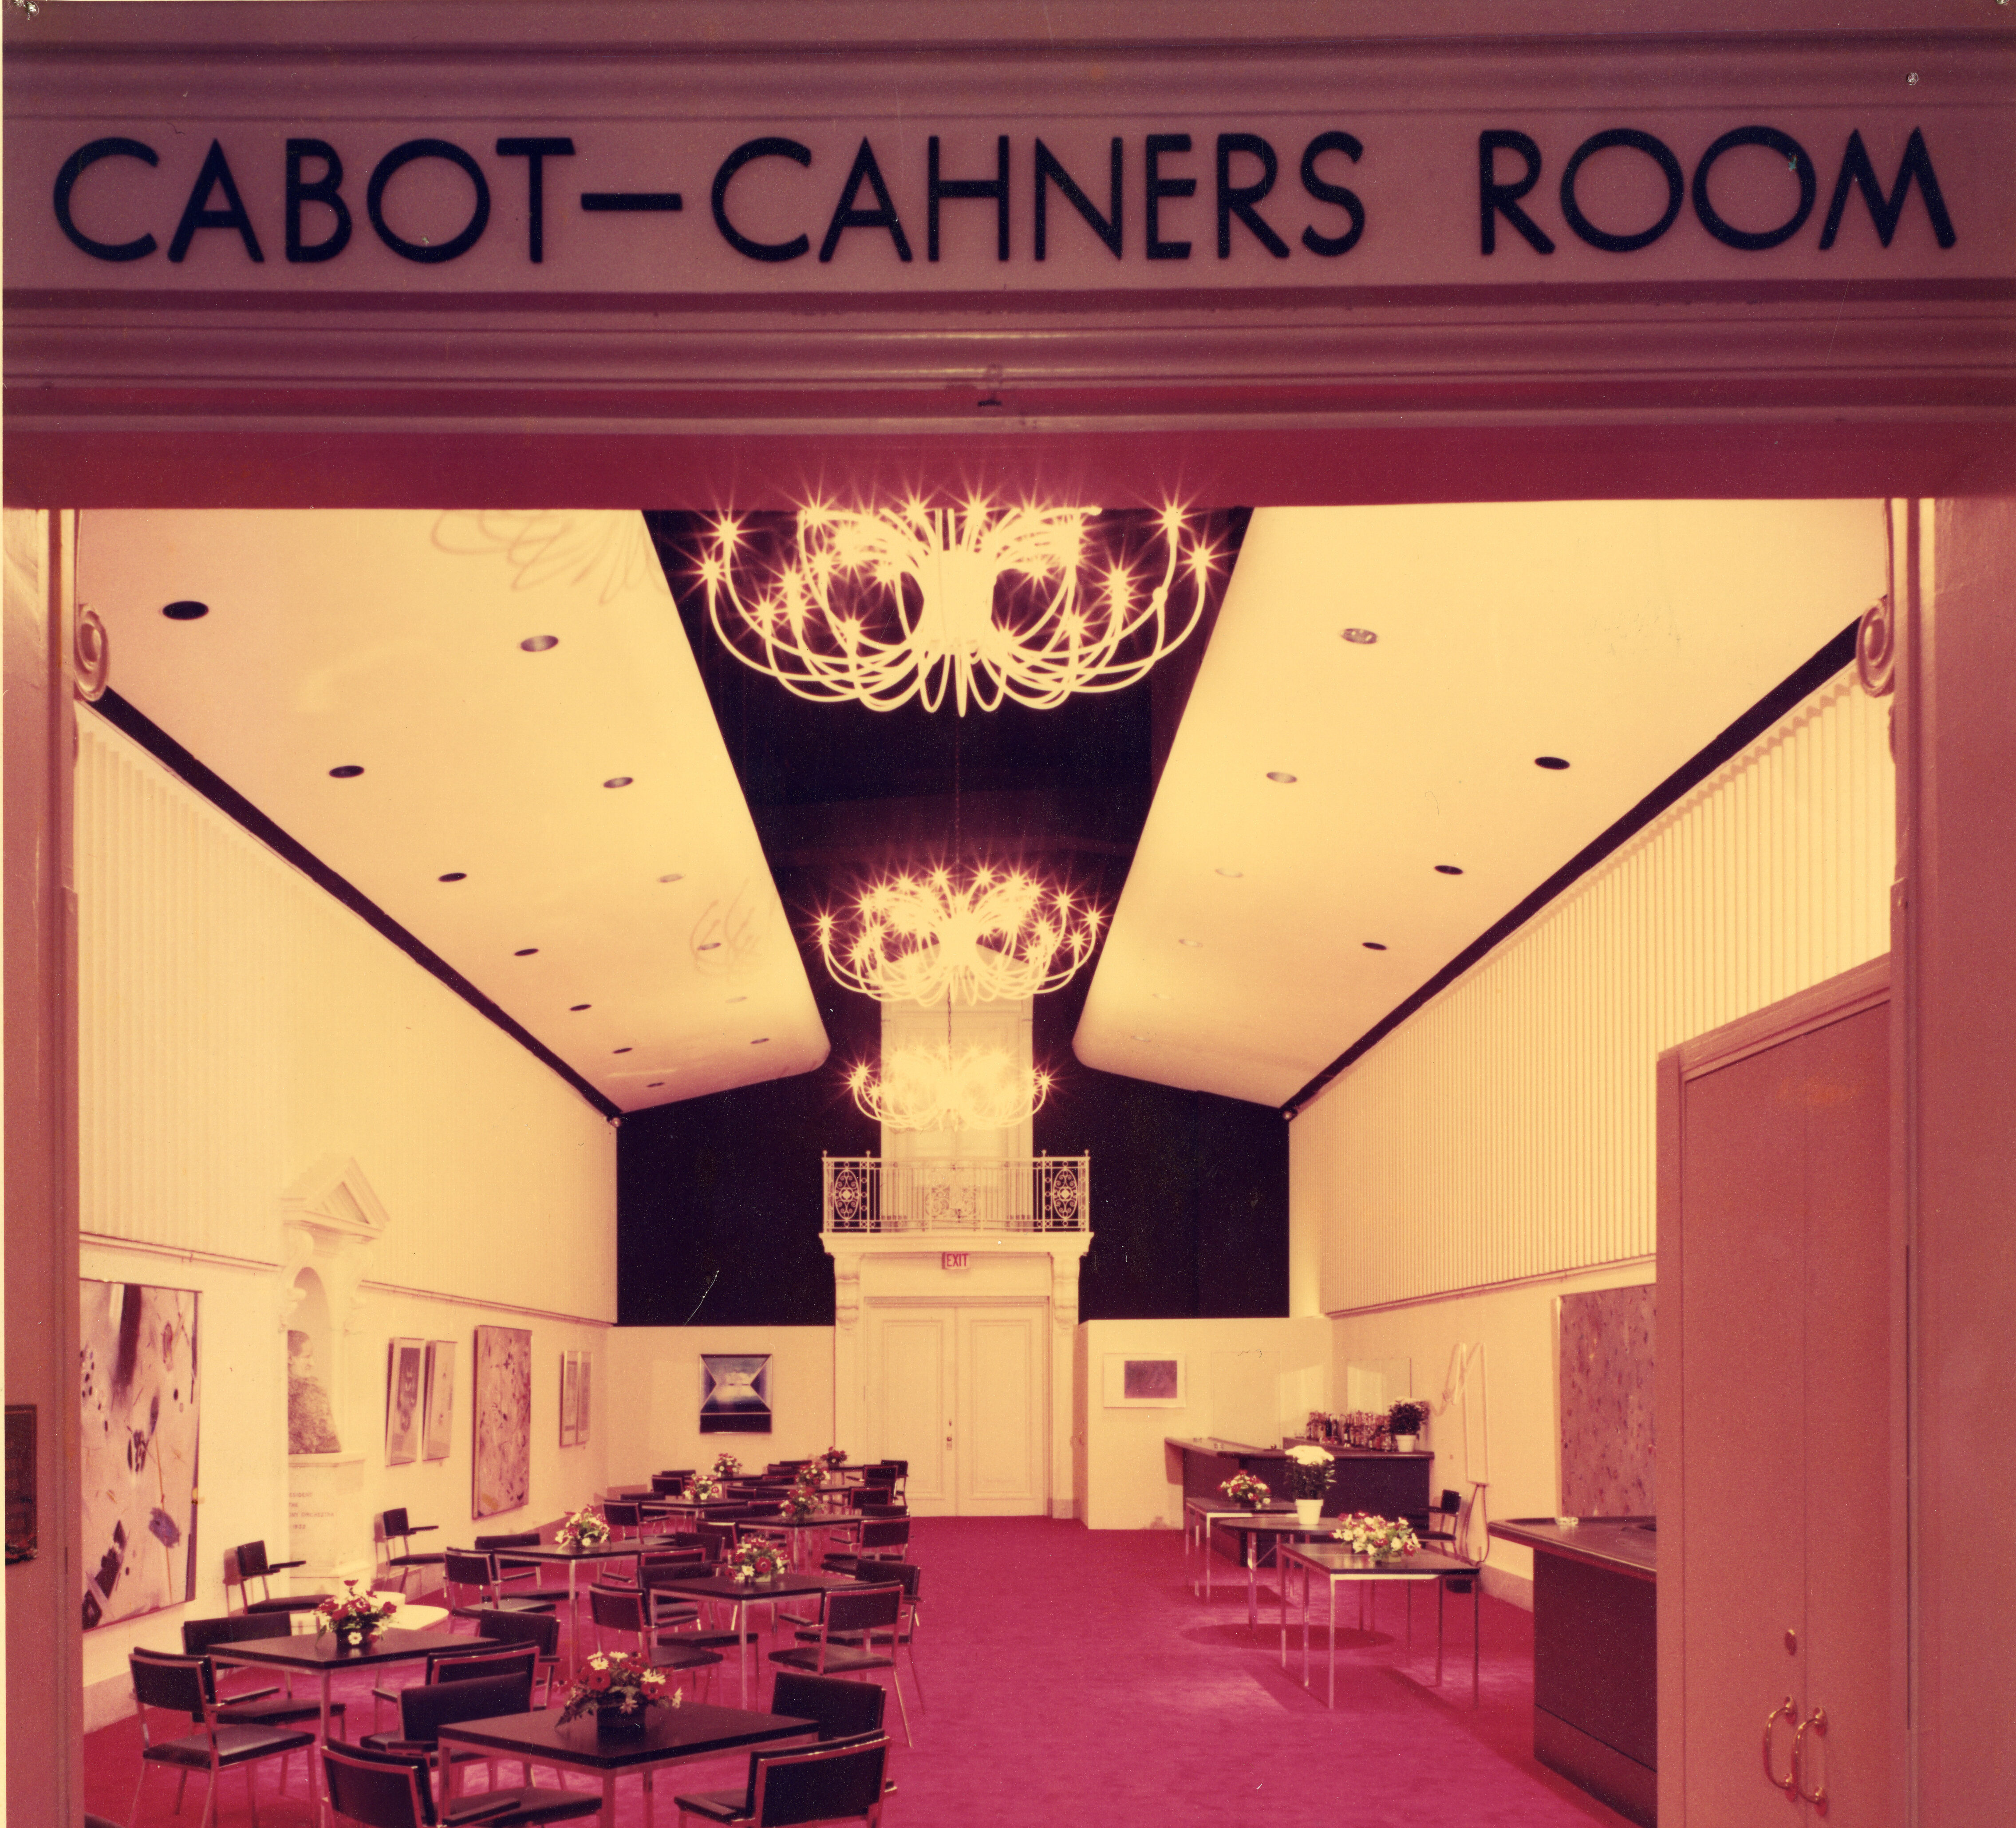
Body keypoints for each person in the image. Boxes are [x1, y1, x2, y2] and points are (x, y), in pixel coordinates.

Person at [287, 1330, 340, 1453]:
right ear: (289, 1358)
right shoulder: (311, 1390)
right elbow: (330, 1444)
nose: (312, 1364)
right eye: (307, 1357)